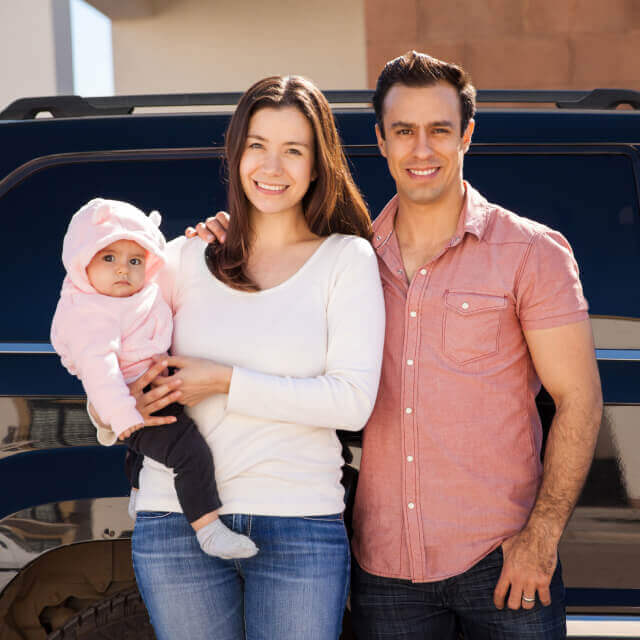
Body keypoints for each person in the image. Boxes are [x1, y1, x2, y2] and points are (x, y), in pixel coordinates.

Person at [194, 52, 603, 639]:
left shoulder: (530, 253)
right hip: (384, 570)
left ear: (466, 135)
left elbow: (579, 399)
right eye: (404, 131)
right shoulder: (342, 257)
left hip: (504, 560)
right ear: (381, 140)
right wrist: (227, 235)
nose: (421, 149)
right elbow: (266, 264)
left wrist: (539, 540)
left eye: (439, 130)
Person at [93, 75, 385, 640]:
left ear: (318, 164)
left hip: (298, 525)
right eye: (257, 146)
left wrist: (224, 381)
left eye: (293, 150)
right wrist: (117, 405)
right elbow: (111, 368)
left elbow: (352, 404)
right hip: (176, 523)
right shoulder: (178, 259)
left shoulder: (346, 260)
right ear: (236, 153)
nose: (272, 167)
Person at [51, 198, 258, 560]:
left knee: (141, 450)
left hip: (149, 384)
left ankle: (135, 488)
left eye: (135, 261)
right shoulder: (90, 314)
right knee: (188, 452)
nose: (123, 271)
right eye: (108, 258)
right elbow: (100, 373)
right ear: (82, 262)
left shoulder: (131, 296)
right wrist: (126, 418)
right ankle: (208, 528)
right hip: (135, 401)